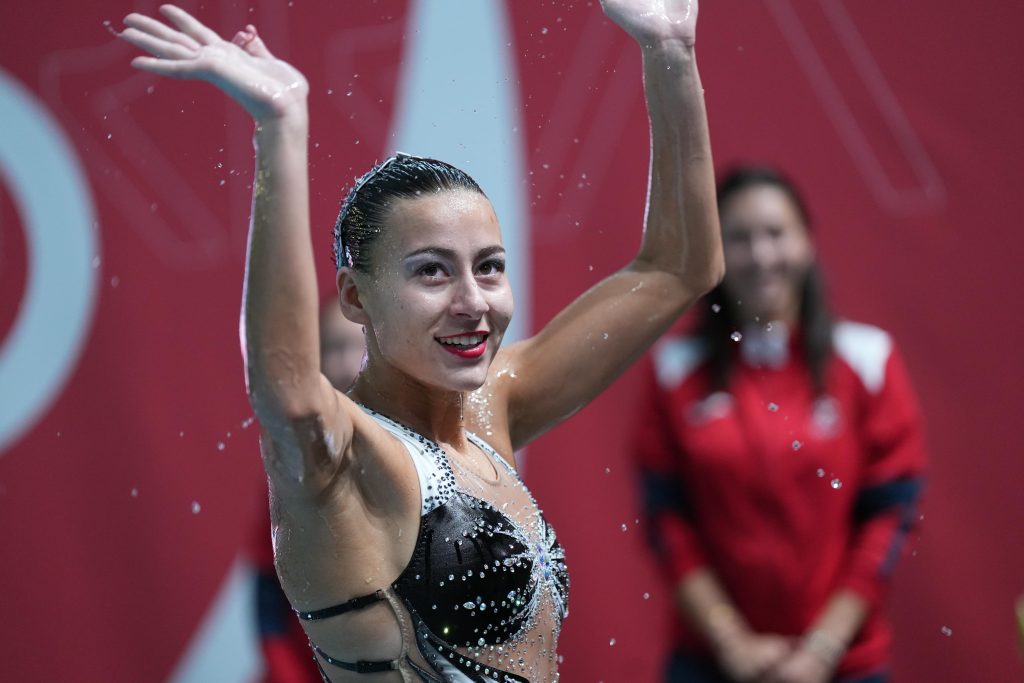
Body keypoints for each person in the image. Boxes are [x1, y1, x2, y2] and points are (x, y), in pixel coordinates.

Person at [118, 1, 724, 680]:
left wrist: (670, 51)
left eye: (488, 267)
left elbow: (679, 267)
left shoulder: (495, 406)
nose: (473, 302)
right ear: (355, 297)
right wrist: (281, 127)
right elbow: (285, 388)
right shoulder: (341, 458)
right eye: (431, 272)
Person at [633, 166, 927, 683]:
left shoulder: (868, 361)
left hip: (845, 666)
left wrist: (822, 649)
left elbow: (889, 519)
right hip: (710, 665)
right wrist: (731, 640)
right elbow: (667, 524)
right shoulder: (674, 369)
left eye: (776, 234)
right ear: (717, 256)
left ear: (807, 242)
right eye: (740, 239)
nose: (762, 255)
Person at [250, 298, 365, 683]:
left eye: (360, 344)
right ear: (313, 362)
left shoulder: (424, 458)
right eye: (334, 347)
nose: (348, 364)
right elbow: (268, 607)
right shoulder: (291, 465)